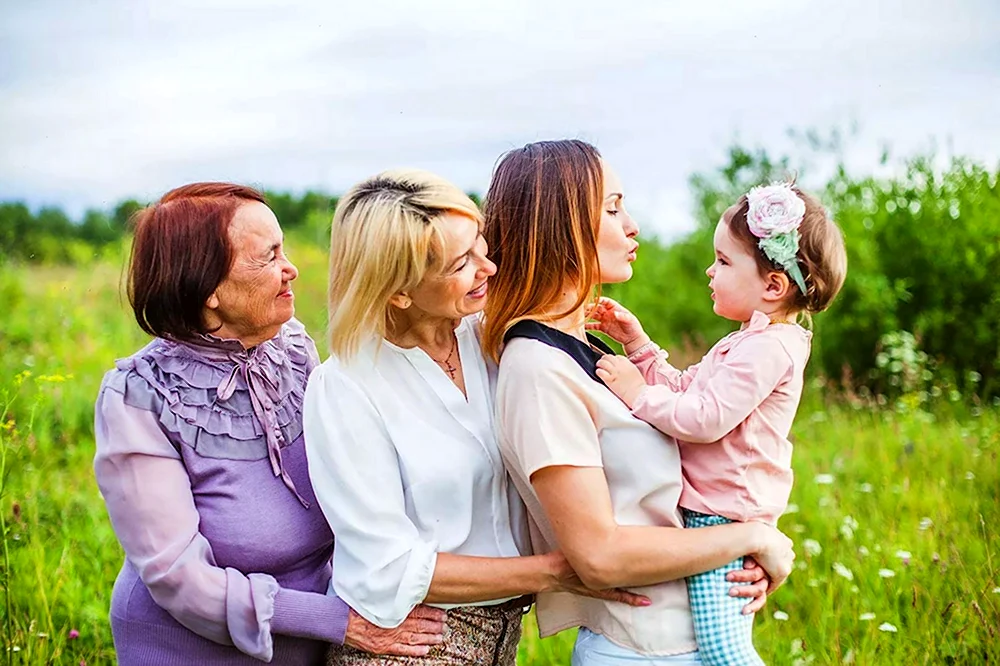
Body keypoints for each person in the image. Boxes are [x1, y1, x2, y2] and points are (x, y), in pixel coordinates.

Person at [302, 169, 653, 666]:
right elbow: (388, 565)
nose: (488, 267)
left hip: (504, 636)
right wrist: (555, 570)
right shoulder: (346, 387)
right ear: (399, 290)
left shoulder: (495, 339)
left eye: (482, 244)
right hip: (412, 644)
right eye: (462, 262)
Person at [94, 182, 445, 665]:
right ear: (208, 288)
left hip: (312, 643)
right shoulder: (137, 396)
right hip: (190, 650)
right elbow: (179, 576)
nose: (291, 269)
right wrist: (337, 621)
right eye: (268, 256)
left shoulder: (295, 349)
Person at [481, 140, 796, 665]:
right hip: (645, 648)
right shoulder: (537, 369)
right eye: (612, 207)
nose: (632, 226)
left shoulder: (589, 347)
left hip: (692, 634)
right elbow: (599, 555)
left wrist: (746, 548)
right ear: (559, 224)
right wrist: (754, 537)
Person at [591, 182, 847, 665]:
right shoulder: (748, 340)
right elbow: (688, 390)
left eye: (724, 262)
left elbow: (704, 419)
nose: (711, 270)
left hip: (723, 517)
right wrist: (639, 346)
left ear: (774, 285)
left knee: (723, 650)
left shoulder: (770, 347)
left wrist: (636, 393)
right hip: (715, 512)